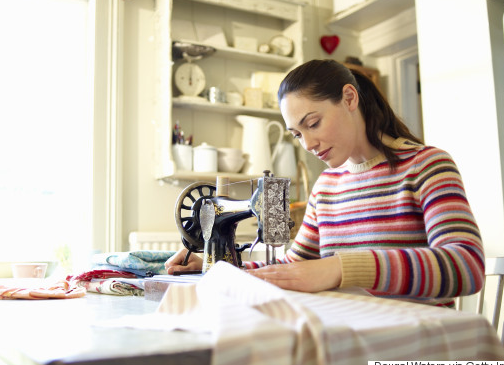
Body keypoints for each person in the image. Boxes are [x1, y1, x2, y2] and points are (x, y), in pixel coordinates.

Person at [165, 59, 485, 307]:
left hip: (418, 344)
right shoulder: (328, 186)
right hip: (350, 334)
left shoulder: (427, 166)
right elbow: (293, 268)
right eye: (297, 134)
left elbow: (466, 266)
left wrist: (340, 268)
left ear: (349, 98)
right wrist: (219, 266)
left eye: (313, 123)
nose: (307, 144)